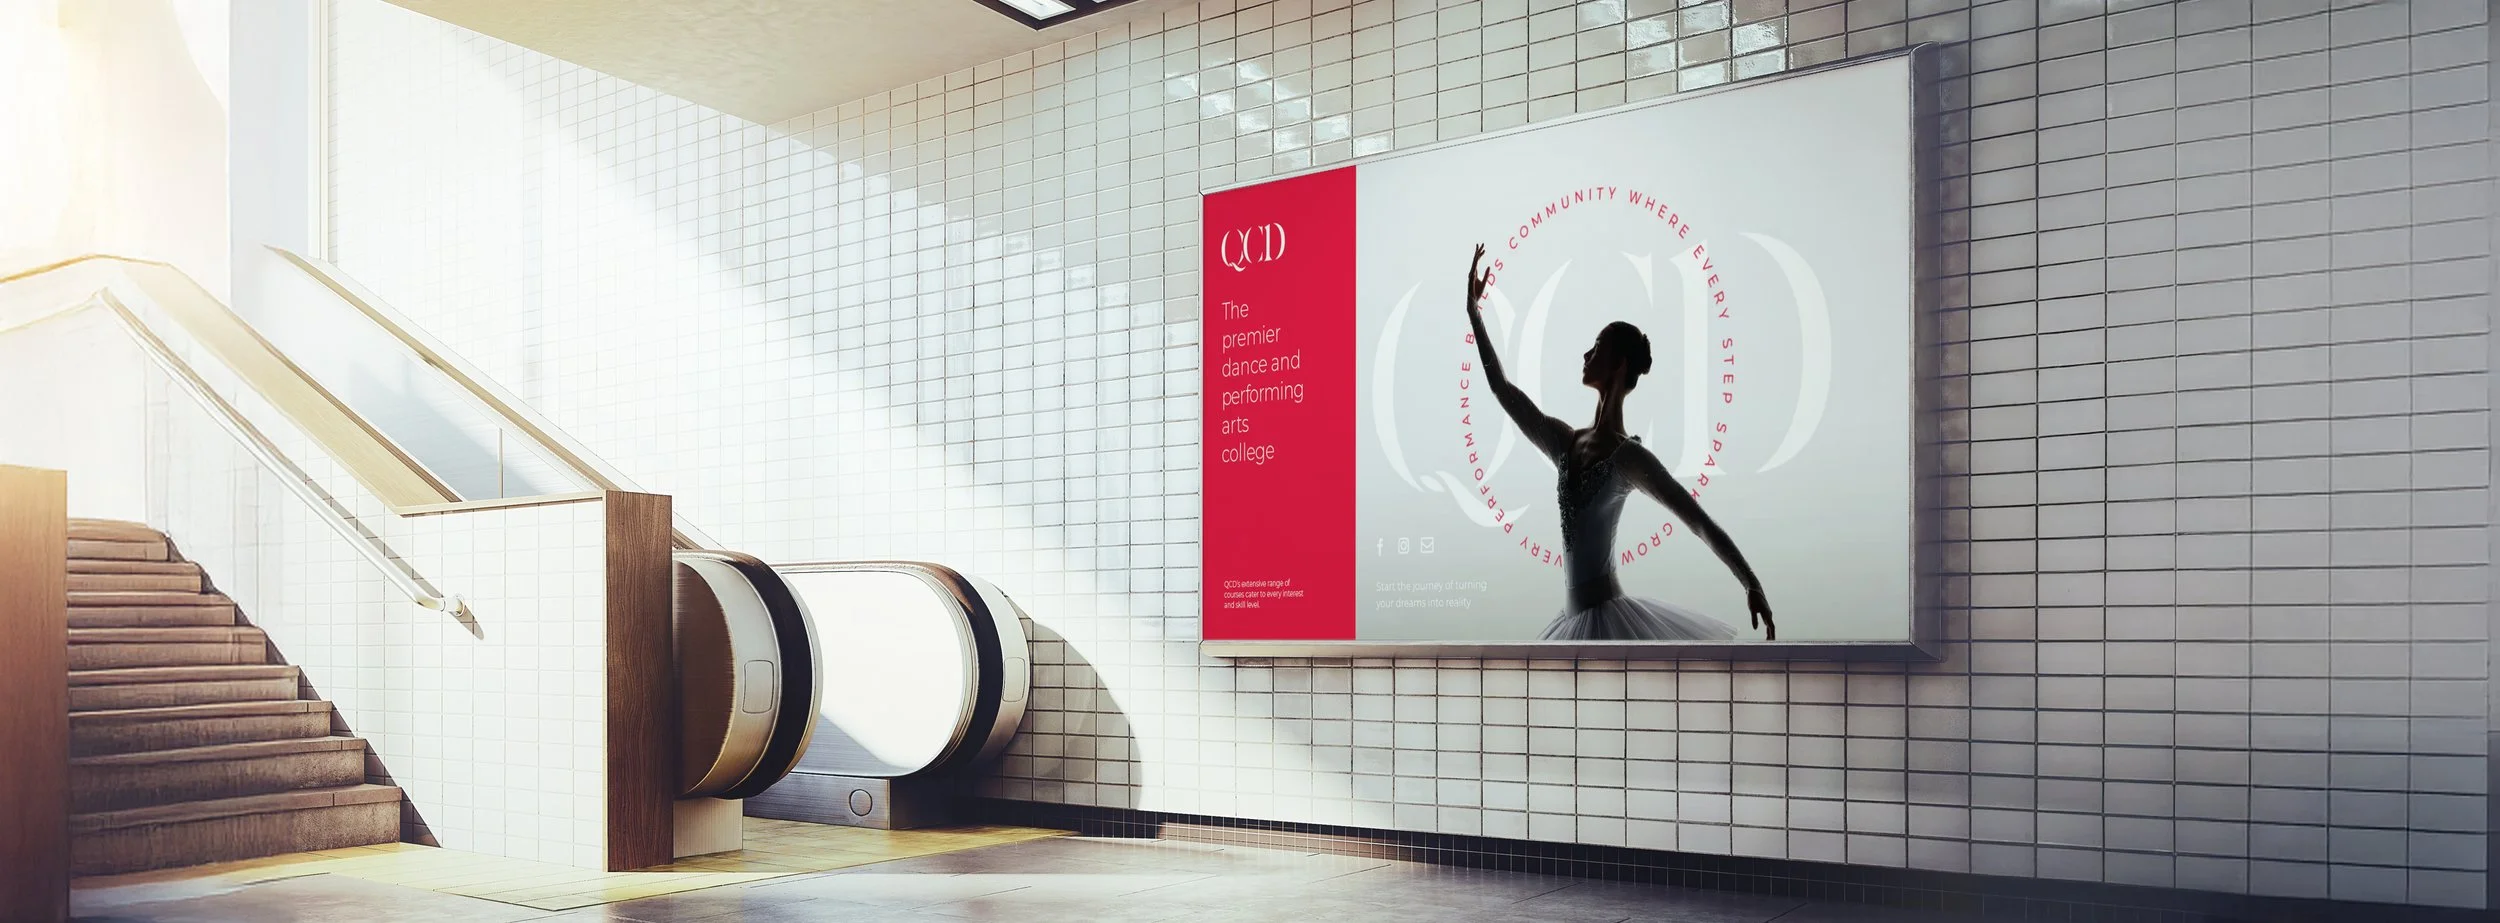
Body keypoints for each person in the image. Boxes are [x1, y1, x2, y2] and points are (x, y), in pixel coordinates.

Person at [1462, 245, 1777, 641]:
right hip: (1570, 623)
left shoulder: (1629, 457)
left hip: (1608, 624)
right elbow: (1502, 389)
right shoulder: (1564, 442)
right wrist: (1474, 313)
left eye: (1597, 347)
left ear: (1619, 363)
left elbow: (1697, 519)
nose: (1586, 353)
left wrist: (1750, 582)